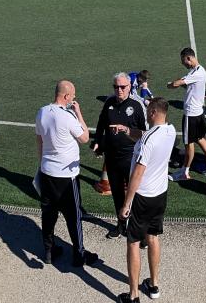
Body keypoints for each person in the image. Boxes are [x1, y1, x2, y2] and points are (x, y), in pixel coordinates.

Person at [116, 103, 176, 302]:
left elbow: (138, 173)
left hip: (142, 197)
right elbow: (145, 135)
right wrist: (127, 130)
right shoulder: (170, 130)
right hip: (160, 194)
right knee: (153, 237)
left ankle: (133, 295)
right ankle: (154, 285)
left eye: (147, 110)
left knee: (133, 242)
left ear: (153, 112)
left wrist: (126, 203)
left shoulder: (147, 141)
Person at [35, 80, 97, 269]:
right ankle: (79, 254)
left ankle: (49, 250)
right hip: (67, 176)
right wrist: (79, 113)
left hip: (47, 172)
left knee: (48, 213)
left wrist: (41, 165)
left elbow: (39, 140)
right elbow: (85, 137)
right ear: (67, 97)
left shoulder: (42, 111)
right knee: (73, 216)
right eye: (73, 96)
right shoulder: (68, 116)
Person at [94, 73, 148, 218]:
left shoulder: (137, 105)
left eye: (123, 87)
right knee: (117, 193)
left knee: (134, 192)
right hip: (111, 157)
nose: (119, 90)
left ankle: (137, 228)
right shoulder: (109, 102)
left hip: (130, 156)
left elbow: (145, 132)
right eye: (116, 87)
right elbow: (101, 124)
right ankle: (121, 224)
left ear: (129, 87)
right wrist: (98, 142)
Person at [166, 48, 206, 178]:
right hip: (198, 112)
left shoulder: (197, 73)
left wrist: (171, 85)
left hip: (191, 114)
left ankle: (185, 171)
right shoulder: (197, 71)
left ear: (189, 58)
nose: (183, 64)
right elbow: (187, 82)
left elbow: (179, 82)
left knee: (188, 144)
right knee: (200, 139)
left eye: (184, 61)